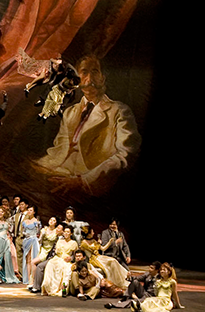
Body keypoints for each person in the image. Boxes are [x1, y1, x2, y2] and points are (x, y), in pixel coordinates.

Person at [34, 56, 141, 195]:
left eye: (95, 72)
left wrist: (84, 181)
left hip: (89, 184)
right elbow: (59, 150)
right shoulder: (69, 112)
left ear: (102, 78)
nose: (89, 79)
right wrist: (41, 166)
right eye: (84, 72)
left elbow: (126, 154)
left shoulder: (120, 111)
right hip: (56, 172)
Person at [40, 225, 78, 295]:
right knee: (50, 264)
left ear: (71, 233)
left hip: (66, 260)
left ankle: (62, 289)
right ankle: (47, 286)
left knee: (65, 268)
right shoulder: (60, 241)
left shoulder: (73, 243)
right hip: (57, 258)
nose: (66, 233)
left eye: (68, 232)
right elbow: (56, 252)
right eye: (65, 232)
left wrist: (71, 258)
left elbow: (75, 254)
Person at [0, 206, 20, 284]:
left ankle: (8, 276)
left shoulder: (6, 223)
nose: (0, 213)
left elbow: (8, 233)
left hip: (6, 241)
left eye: (2, 212)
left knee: (7, 258)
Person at [19, 205, 42, 286]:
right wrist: (25, 234)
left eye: (31, 210)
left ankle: (33, 278)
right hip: (26, 240)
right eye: (28, 210)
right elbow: (22, 231)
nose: (29, 212)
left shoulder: (36, 222)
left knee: (32, 258)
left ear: (34, 212)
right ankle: (28, 278)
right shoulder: (25, 221)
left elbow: (39, 232)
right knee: (27, 259)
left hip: (33, 240)